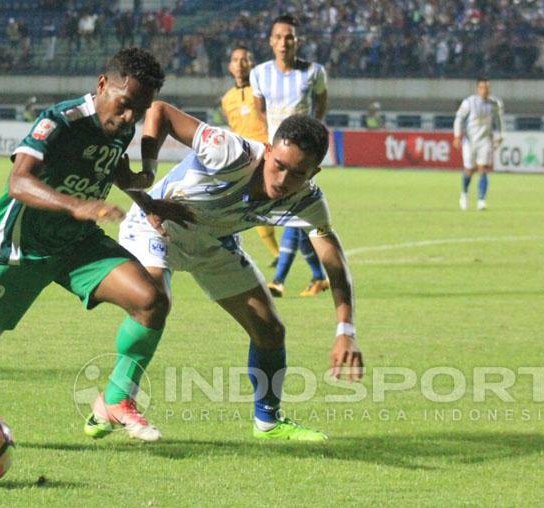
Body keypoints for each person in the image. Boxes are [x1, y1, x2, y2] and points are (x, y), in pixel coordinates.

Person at [0, 48, 190, 446]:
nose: (128, 119)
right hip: (19, 247)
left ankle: (117, 400)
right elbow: (18, 181)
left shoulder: (118, 127)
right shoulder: (60, 121)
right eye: (124, 106)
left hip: (77, 244)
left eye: (138, 112)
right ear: (103, 85)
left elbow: (114, 165)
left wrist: (148, 202)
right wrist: (78, 205)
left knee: (151, 301)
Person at [119, 103, 363, 441]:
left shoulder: (306, 200)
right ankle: (117, 401)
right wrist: (146, 173)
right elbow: (160, 111)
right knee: (155, 298)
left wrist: (345, 328)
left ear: (313, 173)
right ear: (268, 151)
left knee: (270, 329)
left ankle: (268, 421)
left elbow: (332, 257)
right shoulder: (229, 151)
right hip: (158, 223)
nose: (283, 180)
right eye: (279, 165)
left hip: (213, 241)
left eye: (298, 174)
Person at [250, 14, 330, 298]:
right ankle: (319, 276)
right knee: (295, 217)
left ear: (298, 41)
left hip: (301, 162)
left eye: (290, 37)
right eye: (279, 37)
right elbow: (260, 109)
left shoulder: (314, 72)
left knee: (292, 215)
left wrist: (309, 139)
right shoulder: (259, 73)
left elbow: (320, 103)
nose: (284, 42)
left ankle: (279, 279)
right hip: (276, 157)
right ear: (271, 41)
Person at [220, 45, 279, 267]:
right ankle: (278, 255)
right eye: (236, 60)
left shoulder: (263, 92)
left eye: (245, 59)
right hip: (245, 160)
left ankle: (282, 254)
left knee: (263, 205)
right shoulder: (227, 99)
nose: (240, 64)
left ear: (252, 64)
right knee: (249, 206)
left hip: (269, 154)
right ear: (230, 66)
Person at [453, 78, 503, 211]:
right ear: (478, 89)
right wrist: (457, 136)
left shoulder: (493, 104)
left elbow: (497, 122)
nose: (485, 90)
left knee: (483, 169)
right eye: (482, 88)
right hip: (469, 141)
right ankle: (464, 193)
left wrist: (498, 136)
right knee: (469, 170)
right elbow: (459, 118)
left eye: (487, 88)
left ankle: (481, 200)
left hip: (485, 140)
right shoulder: (469, 102)